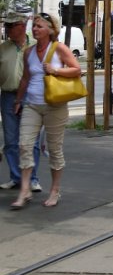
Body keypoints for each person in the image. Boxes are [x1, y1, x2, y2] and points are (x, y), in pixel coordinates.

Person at [11, 12, 80, 210]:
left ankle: (55, 190)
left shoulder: (59, 49)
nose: (35, 29)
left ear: (50, 30)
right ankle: (25, 190)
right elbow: (25, 78)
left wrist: (56, 70)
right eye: (34, 26)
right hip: (31, 104)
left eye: (39, 26)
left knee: (54, 149)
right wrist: (18, 100)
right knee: (24, 145)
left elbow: (76, 69)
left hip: (54, 106)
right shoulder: (28, 51)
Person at [0, 13, 41, 193]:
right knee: (11, 141)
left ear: (22, 27)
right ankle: (16, 177)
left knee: (31, 141)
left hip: (31, 97)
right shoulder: (3, 48)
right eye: (6, 27)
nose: (7, 30)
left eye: (11, 26)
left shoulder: (35, 47)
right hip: (8, 96)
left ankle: (32, 179)